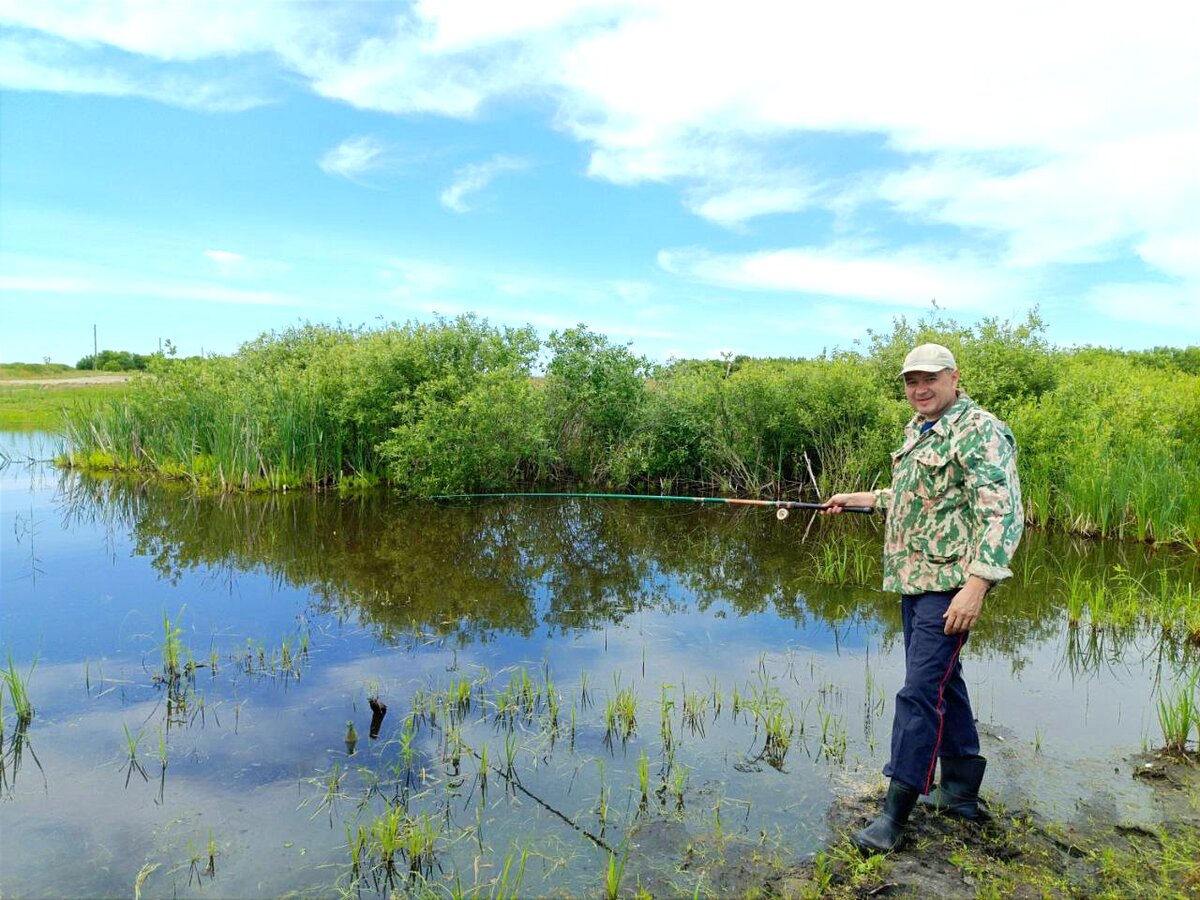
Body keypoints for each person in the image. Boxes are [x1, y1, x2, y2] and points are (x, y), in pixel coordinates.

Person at [822, 342, 1023, 853]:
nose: (920, 389)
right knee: (941, 683)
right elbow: (917, 496)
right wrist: (864, 498)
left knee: (917, 692)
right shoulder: (920, 429)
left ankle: (894, 815)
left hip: (951, 586)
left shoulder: (980, 429)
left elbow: (1003, 513)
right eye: (911, 381)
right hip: (915, 581)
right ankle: (958, 793)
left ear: (955, 377)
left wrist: (976, 586)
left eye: (929, 379)